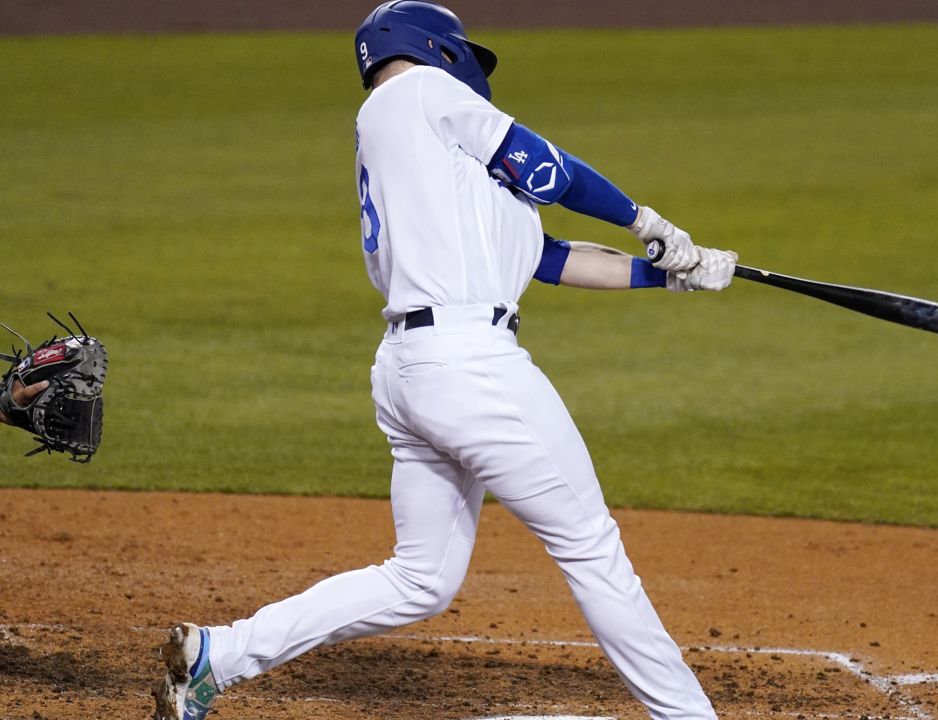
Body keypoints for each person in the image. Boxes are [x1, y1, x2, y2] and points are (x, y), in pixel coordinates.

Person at [152, 2, 732, 719]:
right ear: (433, 48)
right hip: (471, 366)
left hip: (410, 370)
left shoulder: (416, 154)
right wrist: (645, 221)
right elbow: (546, 168)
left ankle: (221, 654)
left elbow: (547, 258)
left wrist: (670, 271)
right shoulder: (422, 91)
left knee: (421, 579)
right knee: (590, 545)